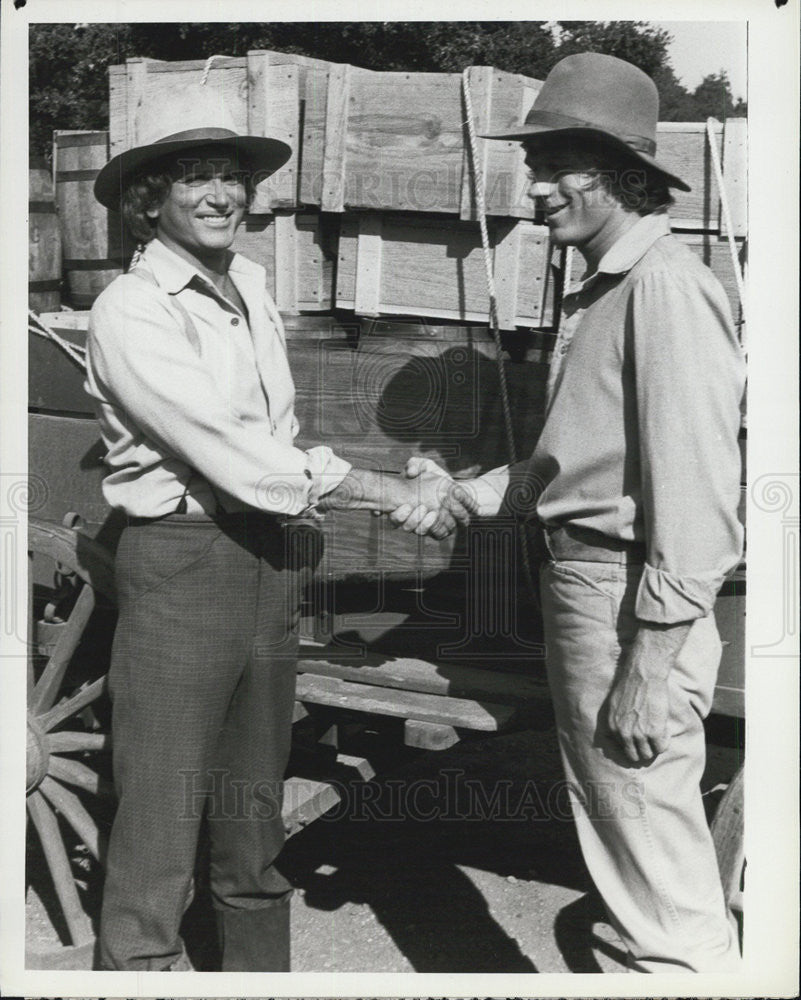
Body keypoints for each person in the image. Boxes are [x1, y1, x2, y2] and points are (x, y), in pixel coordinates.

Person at [86, 91, 472, 971]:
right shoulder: (132, 310)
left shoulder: (250, 285)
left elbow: (275, 442)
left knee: (251, 826)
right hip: (182, 566)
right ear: (150, 200)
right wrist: (380, 488)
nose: (221, 193)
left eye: (231, 175)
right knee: (158, 831)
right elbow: (232, 454)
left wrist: (381, 483)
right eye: (195, 177)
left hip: (266, 561)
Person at [394, 53, 745, 972]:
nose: (537, 189)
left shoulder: (661, 288)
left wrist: (647, 664)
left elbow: (699, 500)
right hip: (589, 587)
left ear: (622, 175)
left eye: (556, 168)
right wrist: (463, 489)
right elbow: (578, 462)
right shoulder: (602, 287)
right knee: (632, 849)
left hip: (624, 603)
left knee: (656, 876)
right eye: (533, 168)